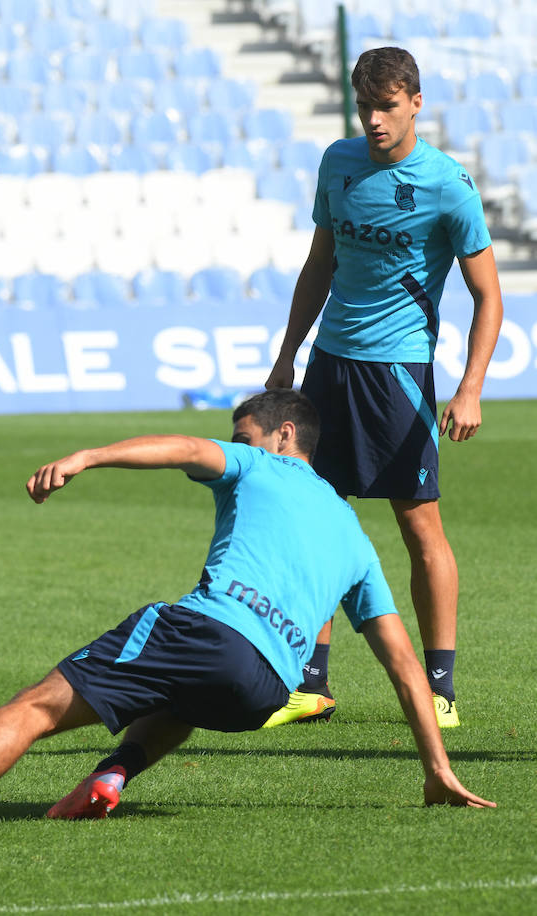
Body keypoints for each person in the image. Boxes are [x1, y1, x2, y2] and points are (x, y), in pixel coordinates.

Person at [0, 390, 493, 836]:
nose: (234, 443)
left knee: (38, 706)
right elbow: (405, 667)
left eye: (243, 434)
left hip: (208, 633)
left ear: (285, 435)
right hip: (263, 693)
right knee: (185, 690)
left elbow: (184, 450)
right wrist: (436, 769)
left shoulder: (259, 465)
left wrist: (87, 456)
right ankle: (117, 770)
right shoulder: (356, 539)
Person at [264, 47, 503, 729]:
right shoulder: (337, 163)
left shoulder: (448, 185)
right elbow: (320, 263)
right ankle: (311, 683)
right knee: (315, 515)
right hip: (328, 367)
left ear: (416, 103)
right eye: (365, 106)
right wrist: (287, 356)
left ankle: (440, 688)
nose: (374, 120)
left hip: (398, 376)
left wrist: (470, 387)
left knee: (418, 525)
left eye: (387, 106)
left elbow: (489, 296)